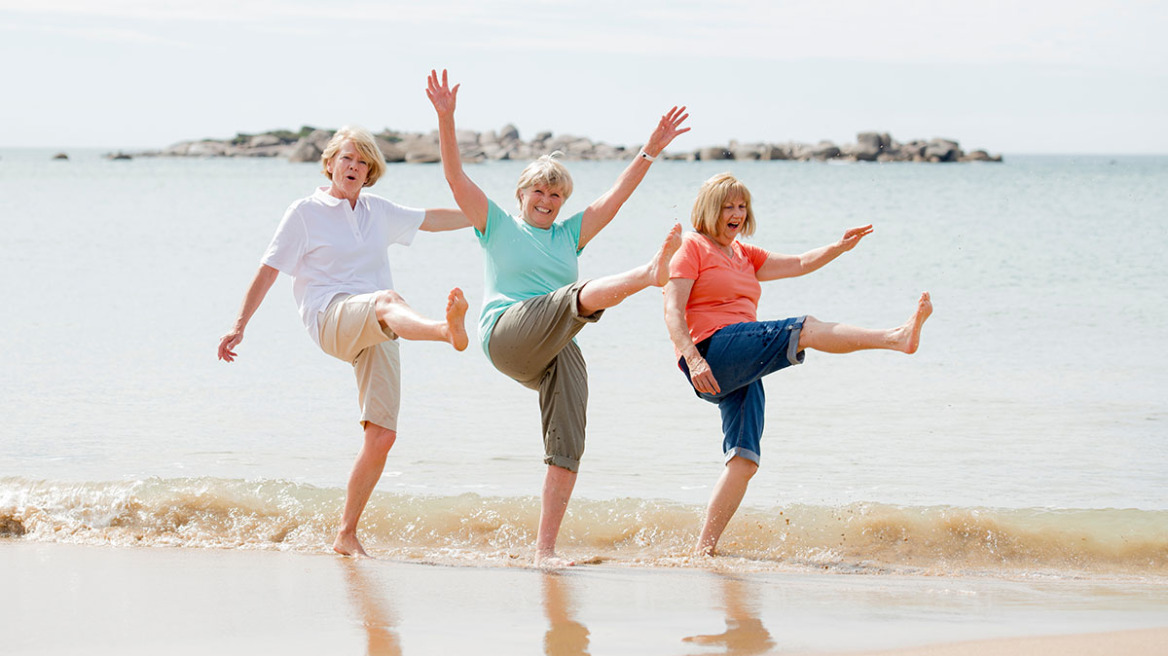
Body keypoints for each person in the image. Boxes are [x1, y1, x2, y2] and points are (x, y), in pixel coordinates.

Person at [426, 69, 689, 567]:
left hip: (553, 344)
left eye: (555, 196)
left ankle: (544, 550)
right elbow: (456, 179)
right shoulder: (496, 225)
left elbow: (616, 195)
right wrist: (447, 118)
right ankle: (648, 273)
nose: (546, 202)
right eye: (538, 193)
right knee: (574, 297)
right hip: (506, 332)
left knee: (568, 441)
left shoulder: (569, 235)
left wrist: (651, 148)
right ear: (522, 194)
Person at [217, 125, 471, 558]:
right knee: (389, 299)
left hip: (380, 326)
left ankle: (345, 534)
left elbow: (432, 219)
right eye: (346, 158)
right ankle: (444, 331)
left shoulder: (376, 210)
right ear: (330, 162)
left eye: (362, 162)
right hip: (331, 315)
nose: (353, 167)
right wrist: (240, 324)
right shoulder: (305, 211)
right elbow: (268, 270)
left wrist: (490, 218)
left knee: (382, 435)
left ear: (371, 171)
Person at [663, 172, 933, 556]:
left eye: (741, 206)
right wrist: (692, 357)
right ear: (709, 210)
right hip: (710, 350)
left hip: (741, 360)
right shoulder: (691, 247)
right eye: (728, 206)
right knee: (803, 328)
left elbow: (801, 262)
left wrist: (838, 247)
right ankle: (895, 338)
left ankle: (702, 550)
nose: (736, 213)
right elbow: (672, 310)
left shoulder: (743, 254)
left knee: (744, 459)